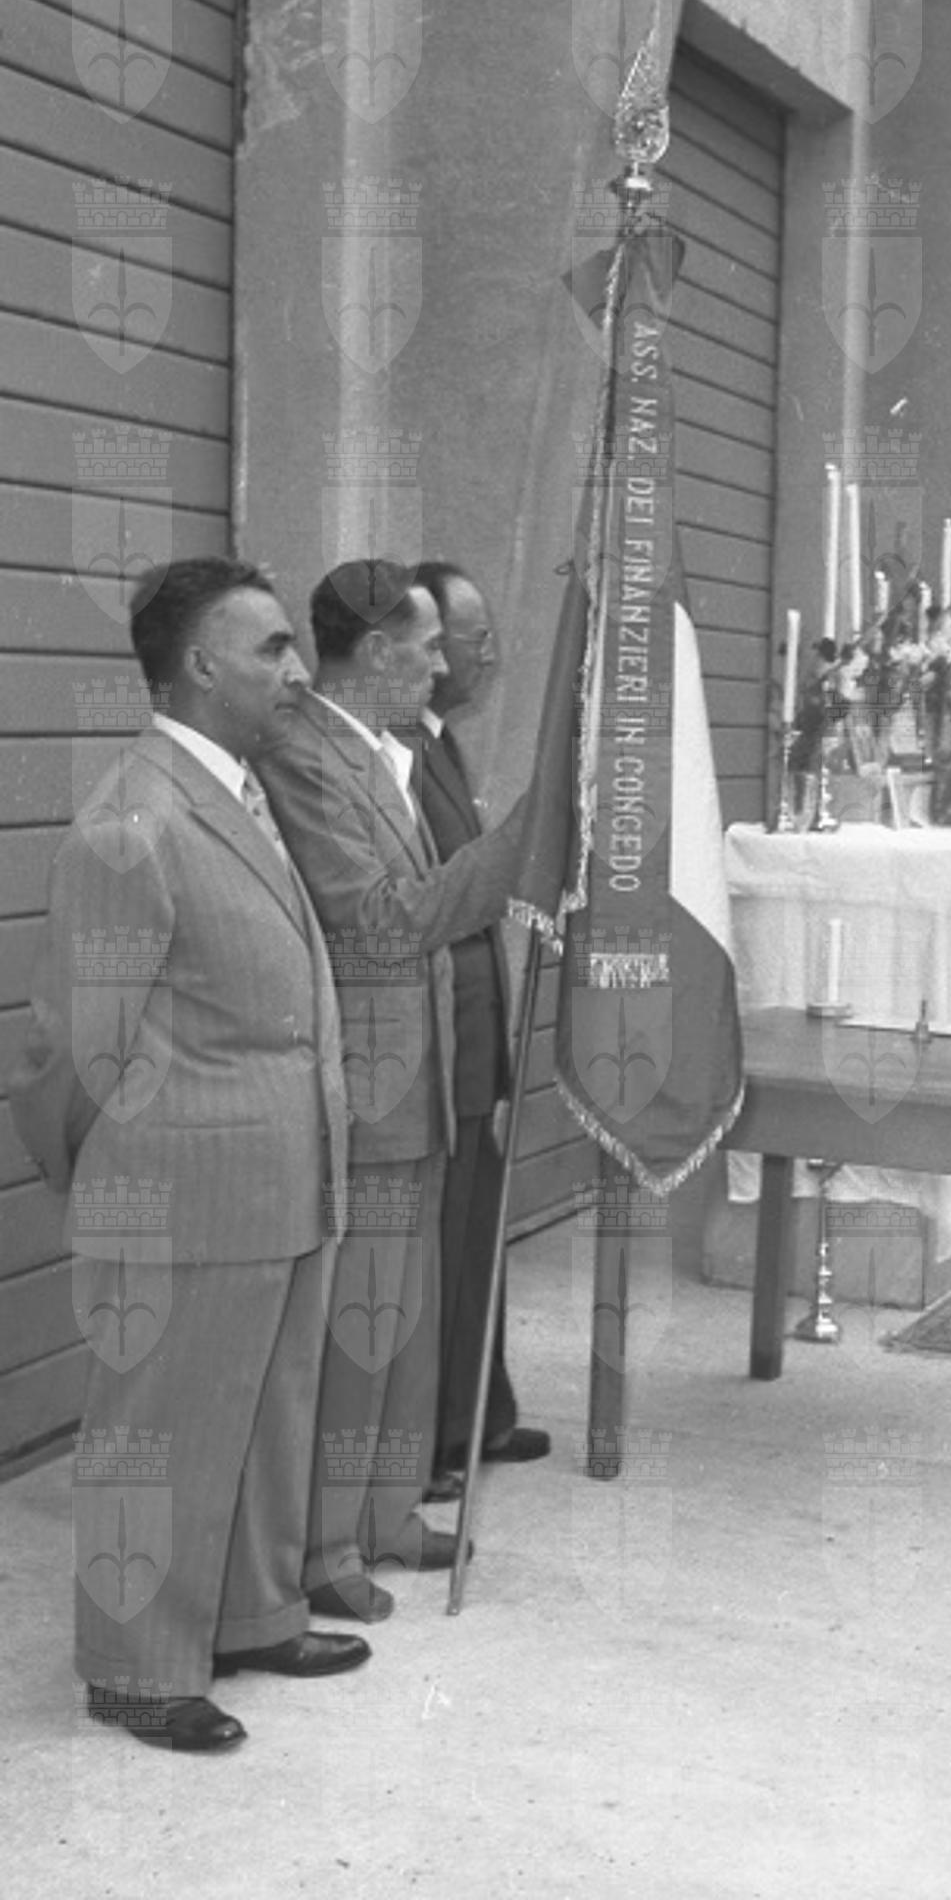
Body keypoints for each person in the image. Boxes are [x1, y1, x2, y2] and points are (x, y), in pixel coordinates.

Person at [11, 558, 370, 1752]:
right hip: (181, 1189)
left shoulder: (237, 792)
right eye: (270, 646)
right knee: (158, 1432)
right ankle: (135, 1668)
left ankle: (253, 1613)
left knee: (267, 1414)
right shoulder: (135, 819)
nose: (296, 668)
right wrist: (110, 1172)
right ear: (201, 665)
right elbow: (74, 1044)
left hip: (281, 1177)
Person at [259, 559, 531, 1625]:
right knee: (361, 1328)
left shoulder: (385, 748)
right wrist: (525, 840)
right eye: (424, 648)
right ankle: (326, 1542)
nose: (441, 665)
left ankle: (384, 1510)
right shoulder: (305, 754)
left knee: (405, 1325)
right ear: (374, 652)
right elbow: (379, 921)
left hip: (417, 1082)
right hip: (366, 1095)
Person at [410, 563, 552, 1495]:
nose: (488, 655)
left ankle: (479, 1415)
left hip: (475, 1036)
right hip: (441, 1045)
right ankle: (437, 1435)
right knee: (446, 1251)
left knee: (477, 1239)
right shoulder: (400, 757)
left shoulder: (441, 745)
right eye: (472, 639)